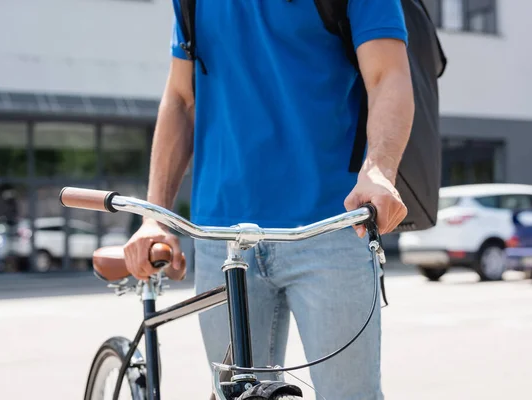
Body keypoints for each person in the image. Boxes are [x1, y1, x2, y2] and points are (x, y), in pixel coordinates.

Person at [124, 0, 414, 398]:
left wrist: (379, 169)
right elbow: (181, 98)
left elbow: (388, 76)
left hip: (330, 228)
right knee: (234, 395)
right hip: (221, 238)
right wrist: (155, 215)